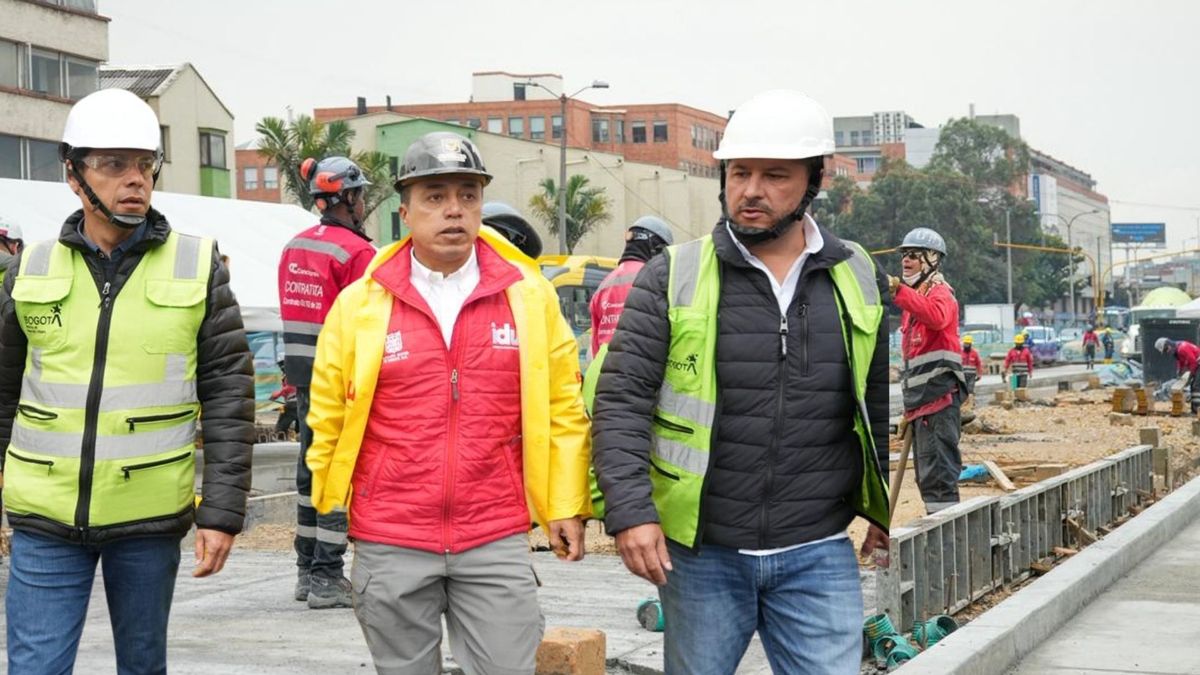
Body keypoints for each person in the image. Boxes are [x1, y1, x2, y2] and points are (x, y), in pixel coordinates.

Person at [591, 90, 890, 675]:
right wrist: (630, 513)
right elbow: (621, 402)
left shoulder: (856, 274)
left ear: (814, 181)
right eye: (739, 173)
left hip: (817, 550)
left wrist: (879, 507)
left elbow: (869, 398)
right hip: (703, 553)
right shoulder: (672, 275)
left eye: (775, 175)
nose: (751, 190)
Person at [305, 131, 591, 675]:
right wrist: (330, 493)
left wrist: (564, 504)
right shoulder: (360, 304)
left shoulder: (529, 297)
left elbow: (563, 407)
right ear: (405, 212)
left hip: (494, 531)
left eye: (467, 195)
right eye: (435, 196)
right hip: (391, 533)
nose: (453, 210)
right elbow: (328, 409)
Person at [0, 88, 254, 673]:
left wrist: (221, 512)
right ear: (73, 175)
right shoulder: (29, 270)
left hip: (148, 517)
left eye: (145, 164)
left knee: (141, 664)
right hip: (44, 518)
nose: (135, 179)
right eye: (114, 164)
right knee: (35, 666)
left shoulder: (198, 269)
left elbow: (229, 394)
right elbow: (3, 387)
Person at [277, 155, 376, 608]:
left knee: (309, 472)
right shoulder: (358, 253)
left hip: (302, 376)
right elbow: (367, 324)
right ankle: (327, 576)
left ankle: (305, 571)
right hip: (339, 382)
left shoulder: (294, 246)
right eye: (362, 195)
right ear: (348, 197)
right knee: (336, 472)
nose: (365, 203)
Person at [889, 227, 967, 515]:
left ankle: (944, 530)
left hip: (939, 401)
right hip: (922, 404)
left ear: (932, 259)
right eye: (903, 255)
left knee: (939, 475)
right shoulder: (914, 302)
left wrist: (899, 291)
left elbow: (936, 317)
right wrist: (909, 410)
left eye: (913, 255)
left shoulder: (940, 293)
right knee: (926, 475)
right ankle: (936, 524)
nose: (905, 260)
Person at [589, 215, 674, 359]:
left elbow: (595, 345)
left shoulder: (604, 285)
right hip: (640, 367)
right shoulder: (656, 280)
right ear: (658, 249)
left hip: (603, 368)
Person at [1155, 337, 1200, 413]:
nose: (1167, 352)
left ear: (1168, 344)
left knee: (1196, 385)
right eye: (1165, 351)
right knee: (1193, 385)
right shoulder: (1177, 350)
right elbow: (1181, 362)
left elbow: (1193, 362)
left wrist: (1191, 375)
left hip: (1198, 363)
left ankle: (1197, 409)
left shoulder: (1182, 348)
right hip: (1197, 364)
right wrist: (1179, 372)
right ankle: (1195, 409)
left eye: (1166, 349)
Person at [269, 361, 299, 437]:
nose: (281, 369)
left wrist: (276, 395)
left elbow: (289, 388)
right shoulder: (294, 374)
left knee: (281, 426)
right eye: (280, 367)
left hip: (293, 404)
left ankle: (279, 435)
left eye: (282, 367)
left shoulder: (292, 376)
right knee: (301, 424)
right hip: (300, 403)